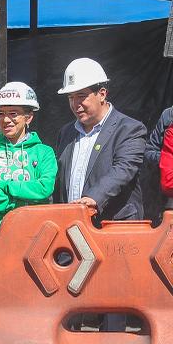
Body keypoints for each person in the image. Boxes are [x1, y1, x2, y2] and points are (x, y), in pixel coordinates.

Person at [0, 82, 57, 293]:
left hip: (33, 243)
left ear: (29, 117)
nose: (6, 119)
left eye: (14, 113)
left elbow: (45, 188)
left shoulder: (44, 152)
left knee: (30, 307)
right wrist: (22, 202)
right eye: (1, 113)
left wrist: (6, 185)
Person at [54, 58, 146, 222]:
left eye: (81, 96)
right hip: (71, 228)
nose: (75, 104)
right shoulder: (65, 133)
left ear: (102, 94)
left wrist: (92, 198)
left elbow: (123, 169)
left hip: (114, 228)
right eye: (70, 97)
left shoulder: (130, 129)